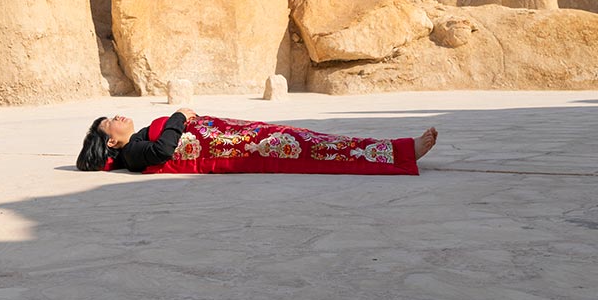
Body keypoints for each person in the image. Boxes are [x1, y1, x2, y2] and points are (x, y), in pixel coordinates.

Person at [76, 108, 437, 175]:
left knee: (312, 140)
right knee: (316, 148)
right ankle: (400, 151)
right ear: (110, 143)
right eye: (111, 123)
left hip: (239, 137)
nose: (119, 117)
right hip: (244, 148)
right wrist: (180, 117)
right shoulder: (135, 152)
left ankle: (395, 149)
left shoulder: (133, 141)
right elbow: (164, 150)